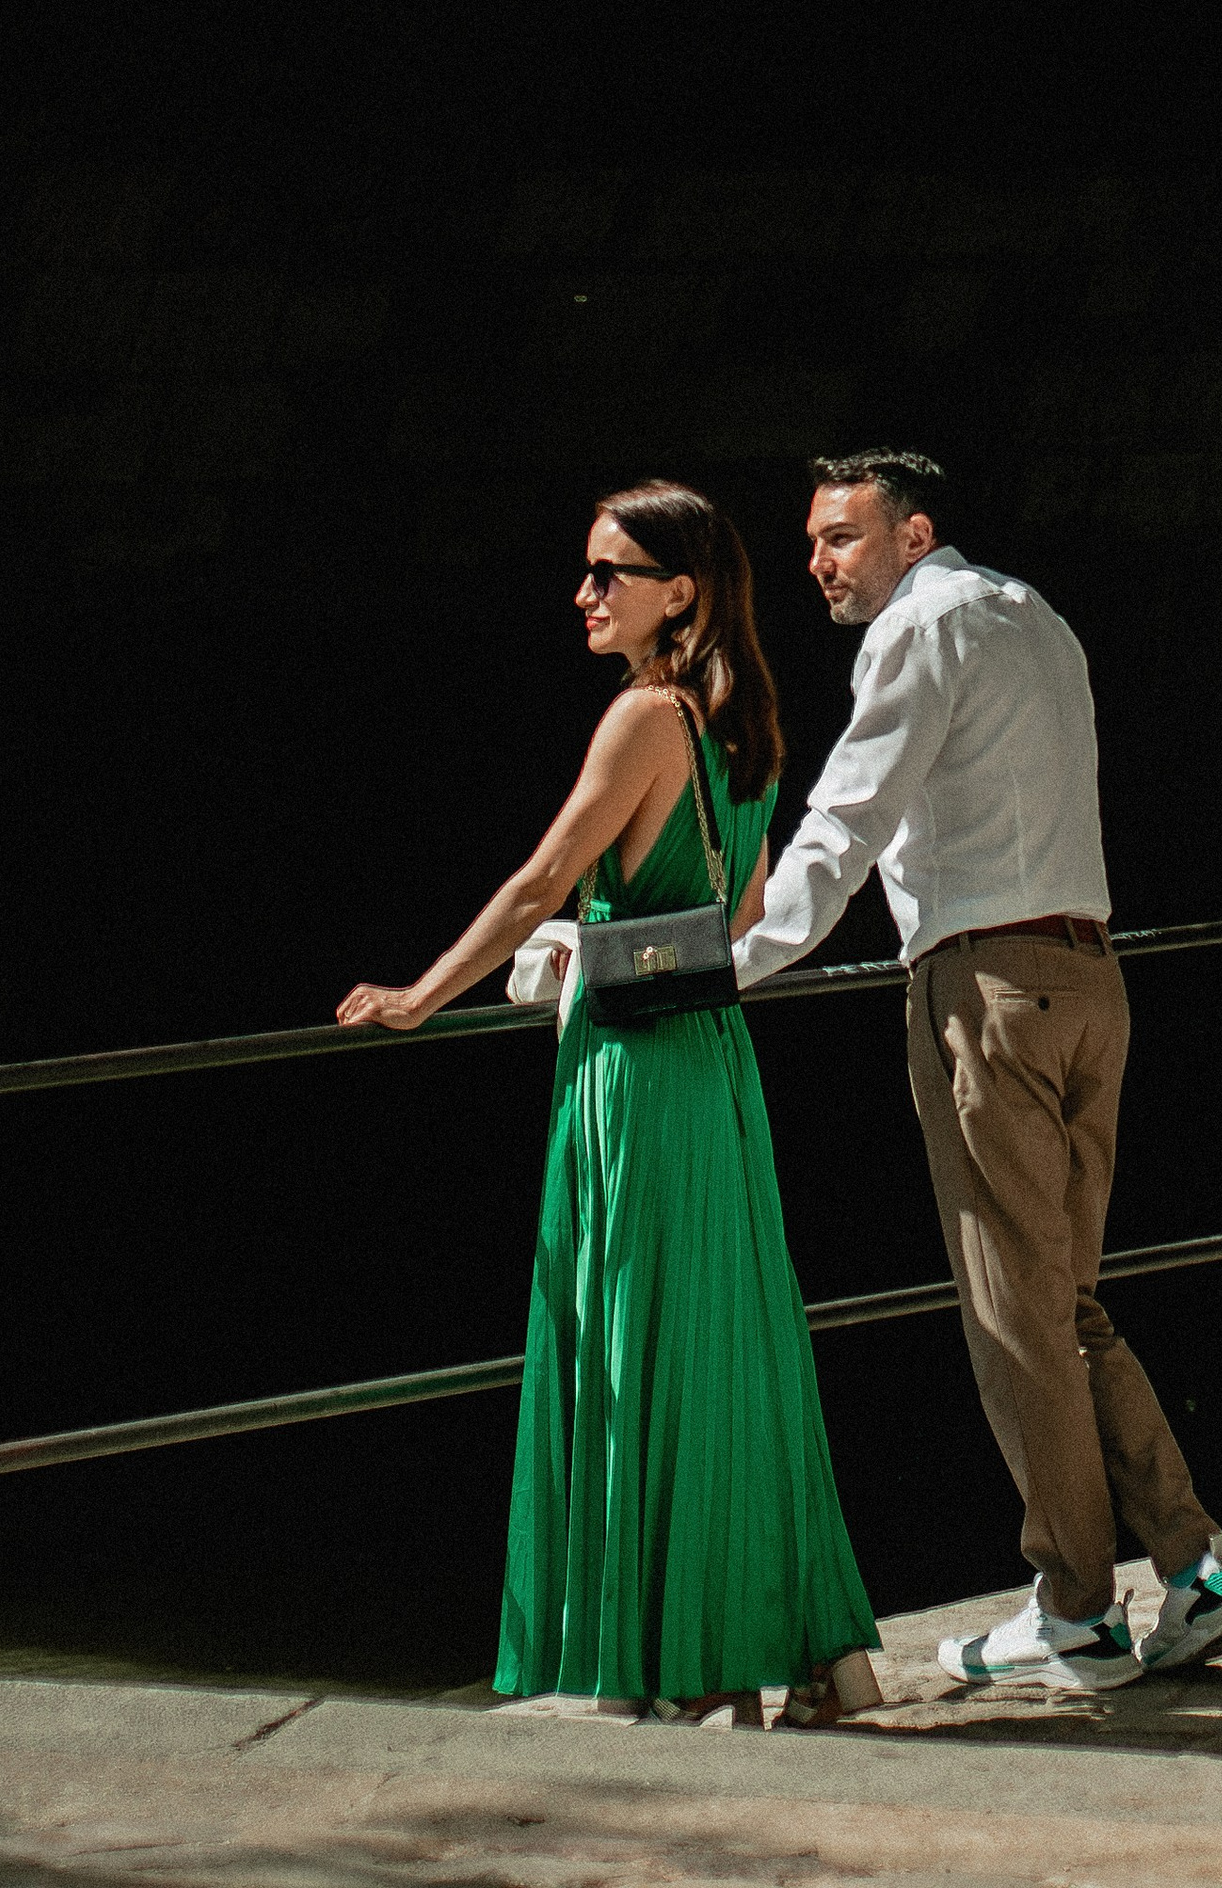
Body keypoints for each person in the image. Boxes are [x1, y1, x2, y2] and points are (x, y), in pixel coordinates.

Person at [337, 478, 881, 1730]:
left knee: (633, 1351)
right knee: (726, 1352)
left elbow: (540, 881)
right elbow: (740, 915)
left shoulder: (643, 715)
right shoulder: (747, 722)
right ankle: (777, 1643)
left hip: (631, 1080)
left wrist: (427, 992)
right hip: (713, 1065)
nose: (584, 595)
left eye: (609, 574)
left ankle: (661, 1657)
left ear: (676, 592)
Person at [734, 447, 1222, 1697]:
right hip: (1090, 979)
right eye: (812, 540)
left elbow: (845, 823)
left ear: (913, 537)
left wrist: (730, 962)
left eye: (843, 537)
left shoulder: (919, 629)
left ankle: (1076, 1610)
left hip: (985, 991)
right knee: (1068, 1300)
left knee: (1013, 1313)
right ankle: (1193, 1570)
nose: (818, 562)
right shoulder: (1039, 617)